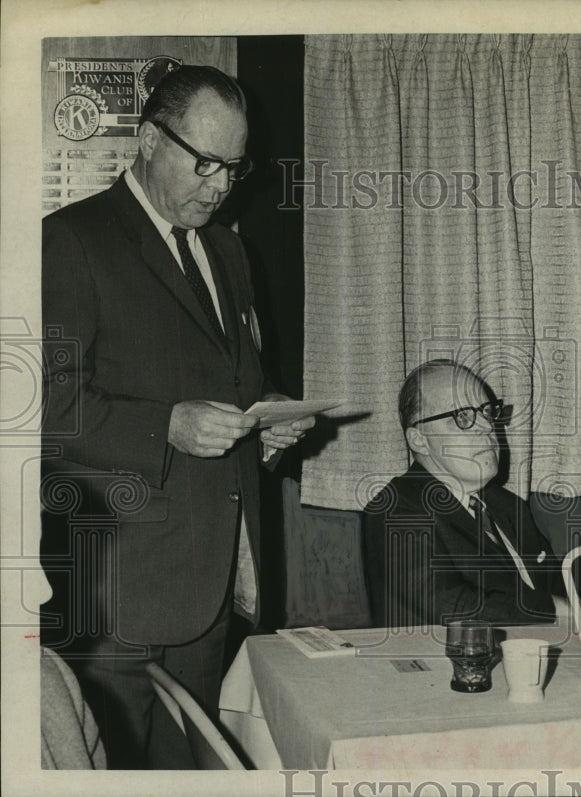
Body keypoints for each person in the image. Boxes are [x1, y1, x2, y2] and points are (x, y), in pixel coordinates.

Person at [40, 65, 314, 768]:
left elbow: (240, 378)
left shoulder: (229, 249)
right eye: (206, 163)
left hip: (214, 581)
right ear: (149, 139)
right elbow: (46, 408)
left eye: (235, 166)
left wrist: (272, 412)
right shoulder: (70, 241)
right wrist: (166, 426)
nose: (222, 185)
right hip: (119, 597)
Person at [362, 360, 565, 627]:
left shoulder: (507, 505)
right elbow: (451, 605)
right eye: (463, 417)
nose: (487, 427)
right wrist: (553, 610)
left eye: (487, 413)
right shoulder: (395, 509)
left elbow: (561, 586)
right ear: (419, 440)